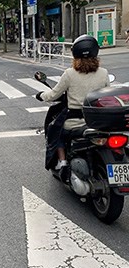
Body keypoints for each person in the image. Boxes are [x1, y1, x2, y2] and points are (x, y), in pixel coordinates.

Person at [36, 34, 110, 171]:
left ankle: (62, 162)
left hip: (75, 122)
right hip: (97, 122)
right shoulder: (104, 73)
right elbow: (107, 94)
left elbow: (53, 95)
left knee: (55, 130)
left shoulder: (69, 73)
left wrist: (41, 95)